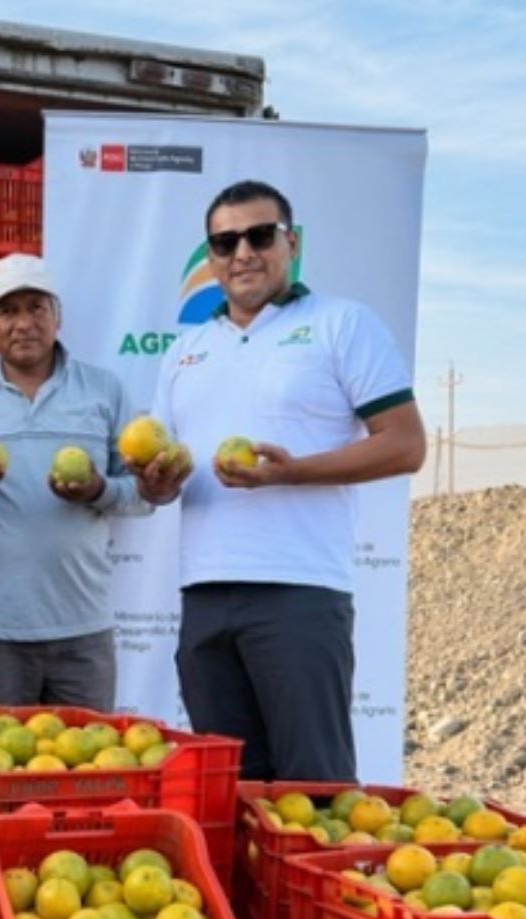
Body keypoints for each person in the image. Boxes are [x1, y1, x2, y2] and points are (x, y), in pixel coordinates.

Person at [131, 179, 427, 780]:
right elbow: (160, 479)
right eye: (225, 241)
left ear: (289, 243)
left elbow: (405, 443)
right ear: (210, 258)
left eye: (259, 236)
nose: (242, 253)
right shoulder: (186, 351)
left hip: (299, 590)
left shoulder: (341, 324)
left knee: (312, 787)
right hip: (205, 592)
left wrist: (289, 474)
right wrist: (156, 483)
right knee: (226, 791)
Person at [0, 254, 148, 709]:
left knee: (92, 772)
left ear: (57, 316)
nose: (23, 323)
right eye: (8, 310)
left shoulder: (103, 390)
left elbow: (142, 497)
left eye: (36, 308)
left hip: (84, 628)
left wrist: (99, 490)